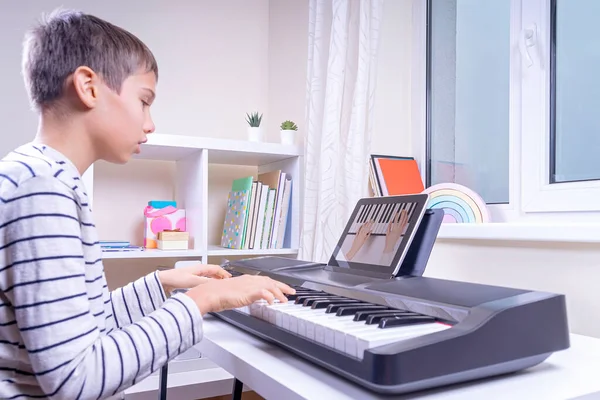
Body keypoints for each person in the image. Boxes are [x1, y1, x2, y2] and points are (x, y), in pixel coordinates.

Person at [0, 8, 294, 399]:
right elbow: (77, 379)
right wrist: (201, 301)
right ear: (88, 86)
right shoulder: (43, 189)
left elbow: (86, 323)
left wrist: (161, 283)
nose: (151, 123)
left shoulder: (43, 176)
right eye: (144, 101)